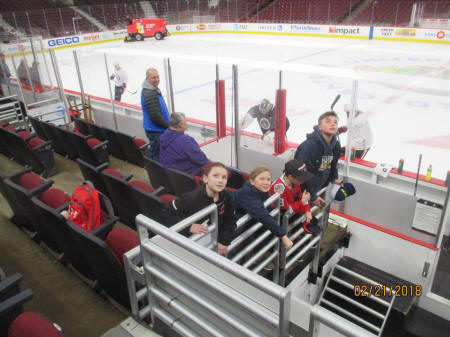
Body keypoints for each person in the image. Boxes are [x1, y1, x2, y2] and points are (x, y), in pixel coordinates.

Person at [162, 162, 236, 255]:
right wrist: (189, 227)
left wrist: (224, 241)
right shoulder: (191, 198)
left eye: (224, 177)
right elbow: (166, 213)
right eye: (215, 176)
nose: (220, 180)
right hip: (195, 239)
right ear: (205, 178)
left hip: (216, 234)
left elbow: (230, 219)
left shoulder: (227, 195)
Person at [234, 166, 293, 250]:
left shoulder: (260, 191)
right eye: (262, 179)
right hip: (235, 225)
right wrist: (283, 236)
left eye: (268, 179)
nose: (266, 182)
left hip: (246, 223)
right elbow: (263, 216)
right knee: (238, 249)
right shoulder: (247, 194)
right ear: (252, 181)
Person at [294, 111, 342, 207]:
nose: (333, 124)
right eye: (328, 121)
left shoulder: (335, 145)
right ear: (319, 127)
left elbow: (332, 165)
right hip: (301, 192)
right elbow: (300, 175)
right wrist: (312, 197)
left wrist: (334, 178)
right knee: (298, 219)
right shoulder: (308, 147)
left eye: (335, 122)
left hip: (318, 188)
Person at [270, 159, 319, 234]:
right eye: (301, 178)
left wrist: (307, 210)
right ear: (290, 177)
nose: (303, 181)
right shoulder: (278, 188)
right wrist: (302, 202)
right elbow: (287, 211)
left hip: (291, 215)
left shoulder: (295, 182)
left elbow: (301, 197)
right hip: (278, 220)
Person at [141, 68, 169, 161]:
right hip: (156, 131)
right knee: (157, 156)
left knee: (158, 154)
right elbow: (155, 116)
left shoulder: (152, 89)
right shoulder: (149, 93)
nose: (156, 79)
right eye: (153, 78)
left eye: (157, 77)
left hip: (157, 130)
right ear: (147, 78)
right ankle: (157, 174)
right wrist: (170, 126)